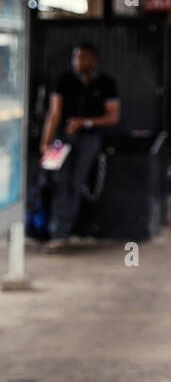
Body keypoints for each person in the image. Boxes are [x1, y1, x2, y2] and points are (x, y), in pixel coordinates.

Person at [40, 42, 120, 252]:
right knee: (59, 184)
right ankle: (56, 233)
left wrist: (85, 122)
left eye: (83, 58)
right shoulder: (64, 80)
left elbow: (112, 116)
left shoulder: (106, 82)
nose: (78, 62)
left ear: (94, 60)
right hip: (62, 139)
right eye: (76, 58)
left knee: (77, 183)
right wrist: (45, 141)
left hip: (89, 138)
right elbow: (54, 113)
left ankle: (65, 230)